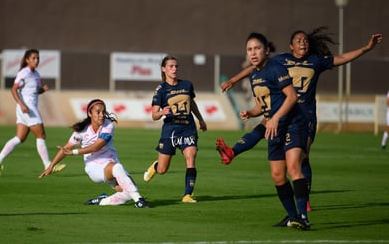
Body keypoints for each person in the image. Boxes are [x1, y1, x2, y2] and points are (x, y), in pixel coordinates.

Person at [216, 28, 383, 211]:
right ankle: (232, 152)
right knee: (264, 124)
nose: (302, 43)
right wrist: (233, 80)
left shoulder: (315, 61)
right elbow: (255, 66)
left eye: (305, 40)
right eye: (298, 40)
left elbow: (342, 58)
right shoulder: (281, 60)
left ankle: (305, 200)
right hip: (285, 107)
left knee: (302, 157)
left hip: (305, 114)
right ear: (291, 46)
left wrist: (366, 48)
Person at [241, 32, 310, 229]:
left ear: (267, 50)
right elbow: (262, 107)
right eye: (249, 49)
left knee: (294, 167)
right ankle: (292, 216)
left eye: (257, 48)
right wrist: (251, 113)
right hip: (274, 128)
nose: (253, 53)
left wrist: (276, 118)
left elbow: (292, 96)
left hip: (293, 123)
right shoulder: (254, 75)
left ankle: (303, 217)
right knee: (278, 175)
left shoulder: (275, 68)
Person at [39, 99, 150, 208]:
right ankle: (139, 201)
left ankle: (102, 201)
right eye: (98, 112)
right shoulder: (82, 131)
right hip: (94, 166)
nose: (101, 115)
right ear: (89, 113)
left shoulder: (108, 125)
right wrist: (51, 166)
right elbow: (66, 149)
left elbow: (97, 146)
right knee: (118, 169)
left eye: (103, 112)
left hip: (110, 161)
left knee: (128, 192)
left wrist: (74, 152)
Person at [0, 49, 65, 177]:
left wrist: (42, 90)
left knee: (20, 138)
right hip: (27, 108)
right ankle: (47, 164)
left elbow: (33, 91)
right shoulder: (24, 73)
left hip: (26, 108)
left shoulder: (35, 74)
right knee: (41, 135)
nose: (36, 60)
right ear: (27, 60)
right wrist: (22, 104)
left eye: (37, 58)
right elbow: (13, 89)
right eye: (33, 58)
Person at [143, 55, 207, 203]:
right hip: (170, 130)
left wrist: (201, 119)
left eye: (176, 66)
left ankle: (187, 195)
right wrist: (161, 112)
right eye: (171, 66)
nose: (174, 69)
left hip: (188, 128)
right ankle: (156, 166)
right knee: (162, 170)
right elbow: (154, 115)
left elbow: (191, 103)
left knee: (191, 158)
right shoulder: (161, 90)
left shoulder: (187, 85)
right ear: (163, 69)